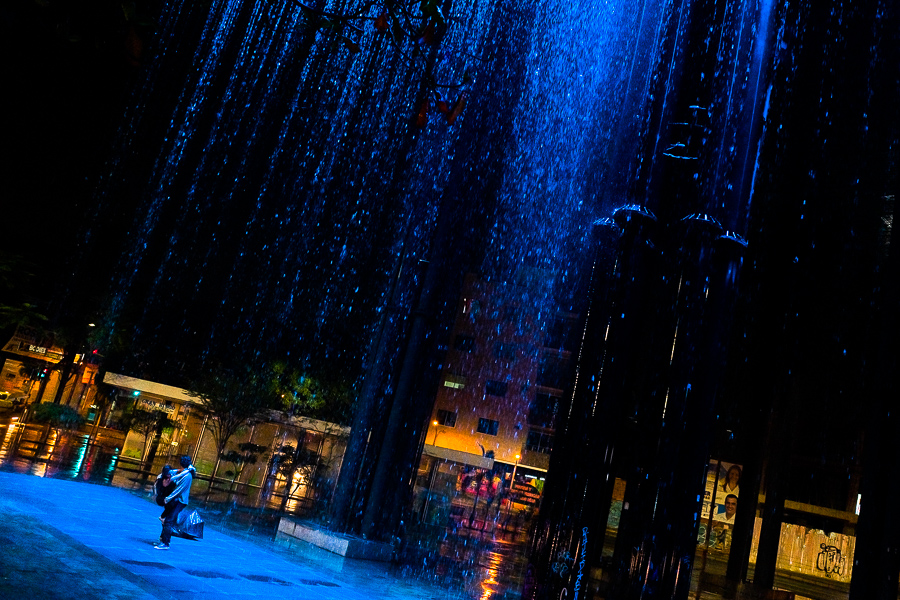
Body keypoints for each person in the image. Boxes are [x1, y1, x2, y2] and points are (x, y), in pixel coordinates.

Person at [155, 455, 196, 550]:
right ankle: (163, 539)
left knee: (168, 521)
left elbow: (179, 490)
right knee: (167, 520)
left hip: (180, 501)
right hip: (177, 500)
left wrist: (167, 499)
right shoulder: (183, 473)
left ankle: (165, 543)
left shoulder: (187, 476)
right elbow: (173, 472)